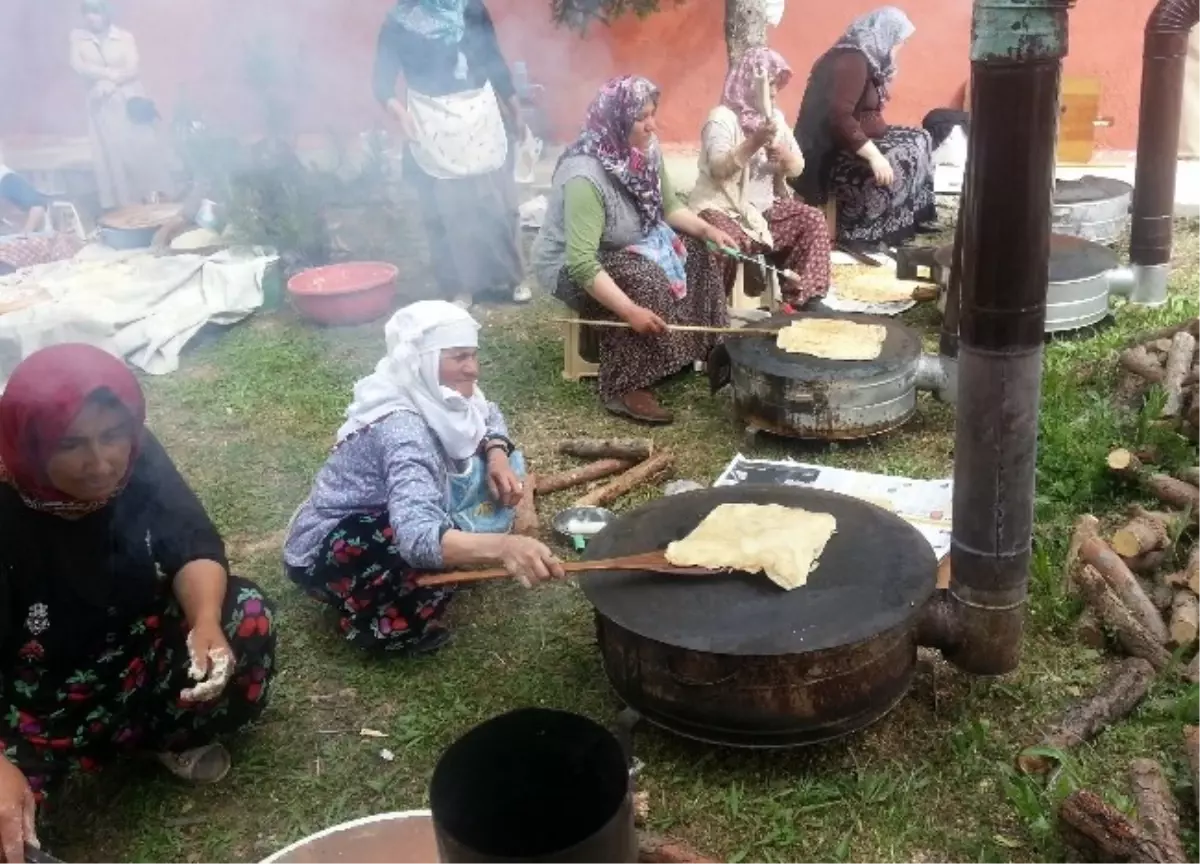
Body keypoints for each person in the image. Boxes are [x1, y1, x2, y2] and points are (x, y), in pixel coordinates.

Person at [0, 345, 276, 858]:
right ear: (31, 445)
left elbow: (191, 542)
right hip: (35, 701)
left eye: (112, 436)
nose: (101, 462)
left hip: (131, 653)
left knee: (244, 615)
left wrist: (205, 622)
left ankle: (163, 737)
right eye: (71, 444)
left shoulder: (135, 454)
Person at [284, 301, 565, 655]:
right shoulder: (403, 429)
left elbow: (488, 414)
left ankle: (446, 558)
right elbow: (415, 536)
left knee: (492, 468)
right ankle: (384, 628)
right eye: (460, 357)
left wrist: (496, 455)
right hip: (333, 548)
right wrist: (505, 547)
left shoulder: (439, 394)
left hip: (402, 509)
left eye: (474, 355)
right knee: (397, 539)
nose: (473, 369)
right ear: (423, 361)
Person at [530, 76, 735, 425]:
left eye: (653, 113)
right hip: (572, 266)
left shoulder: (645, 153)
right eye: (643, 117)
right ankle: (626, 385)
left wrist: (708, 230)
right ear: (619, 120)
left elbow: (669, 207)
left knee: (698, 251)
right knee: (641, 280)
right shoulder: (585, 176)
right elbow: (581, 262)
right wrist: (629, 311)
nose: (652, 125)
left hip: (633, 244)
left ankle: (703, 348)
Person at [372, 0, 531, 308]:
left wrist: (515, 109)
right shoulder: (399, 21)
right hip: (432, 117)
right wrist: (400, 113)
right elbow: (382, 81)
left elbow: (493, 59)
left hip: (479, 112)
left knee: (498, 203)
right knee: (448, 210)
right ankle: (461, 287)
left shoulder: (471, 7)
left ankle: (513, 277)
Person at [691, 46, 832, 308]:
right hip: (723, 208)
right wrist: (754, 142)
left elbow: (798, 167)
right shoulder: (722, 118)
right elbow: (719, 169)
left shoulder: (774, 119)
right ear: (748, 83)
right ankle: (713, 312)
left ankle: (804, 300)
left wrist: (783, 157)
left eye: (777, 84)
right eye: (769, 85)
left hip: (763, 210)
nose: (775, 92)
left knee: (811, 220)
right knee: (725, 241)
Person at [792, 7, 936, 250]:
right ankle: (868, 230)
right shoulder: (852, 61)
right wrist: (875, 156)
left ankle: (911, 218)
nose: (899, 47)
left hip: (859, 135)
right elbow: (839, 117)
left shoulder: (868, 58)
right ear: (885, 35)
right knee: (897, 158)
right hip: (829, 147)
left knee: (921, 139)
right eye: (899, 41)